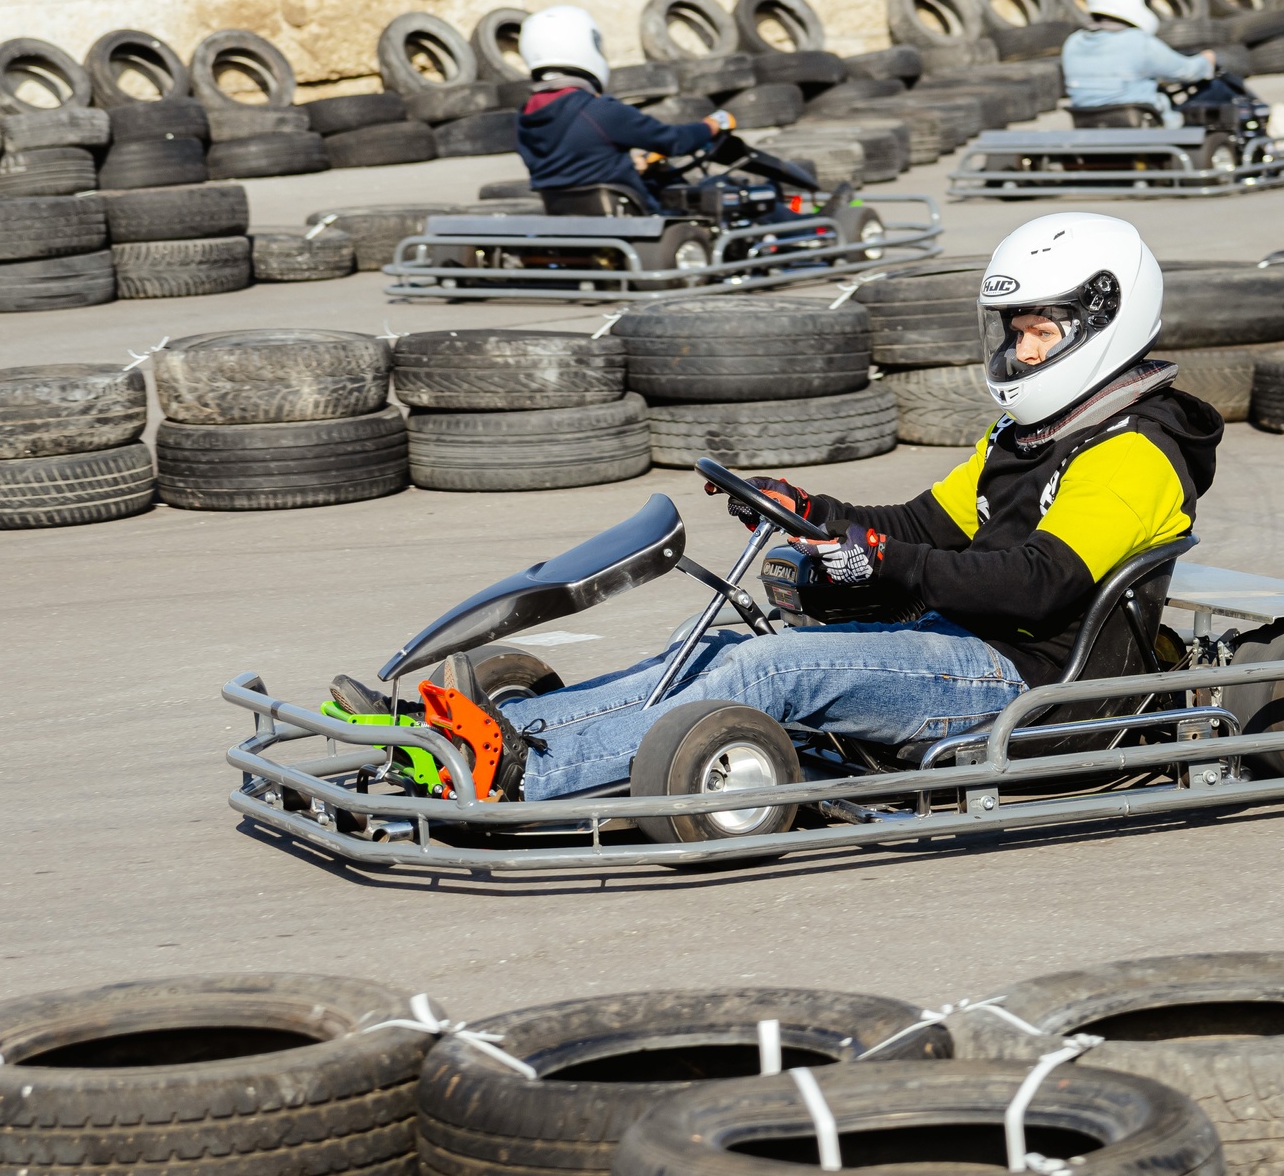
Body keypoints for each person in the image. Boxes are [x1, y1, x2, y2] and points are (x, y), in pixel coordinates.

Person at [394, 211, 1224, 800]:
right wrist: (816, 510)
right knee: (723, 645)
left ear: (1102, 319)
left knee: (775, 666)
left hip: (1024, 680)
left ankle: (526, 773)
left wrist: (888, 568)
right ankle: (503, 725)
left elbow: (1038, 584)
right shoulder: (1033, 434)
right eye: (1011, 330)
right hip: (954, 645)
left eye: (1038, 331)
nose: (1017, 349)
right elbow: (925, 526)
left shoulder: (1131, 452)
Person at [515, 5, 735, 215]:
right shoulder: (598, 110)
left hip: (570, 220)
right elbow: (674, 141)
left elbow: (574, 166)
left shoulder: (526, 116)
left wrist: (631, 166)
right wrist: (711, 126)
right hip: (633, 220)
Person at [1059, 0, 1216, 129]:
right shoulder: (1139, 43)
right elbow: (1187, 72)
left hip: (1091, 126)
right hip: (1145, 127)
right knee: (1214, 92)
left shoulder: (1073, 43)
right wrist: (1207, 59)